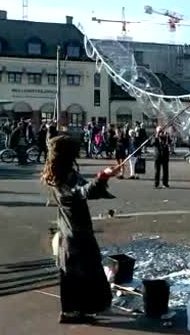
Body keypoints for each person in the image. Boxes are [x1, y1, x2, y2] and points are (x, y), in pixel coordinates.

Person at [42, 135, 114, 324]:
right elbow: (82, 192)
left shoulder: (64, 172)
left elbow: (86, 189)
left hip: (74, 230)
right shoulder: (62, 178)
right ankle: (73, 312)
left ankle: (78, 310)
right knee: (80, 273)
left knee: (78, 272)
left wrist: (103, 178)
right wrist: (102, 177)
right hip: (75, 233)